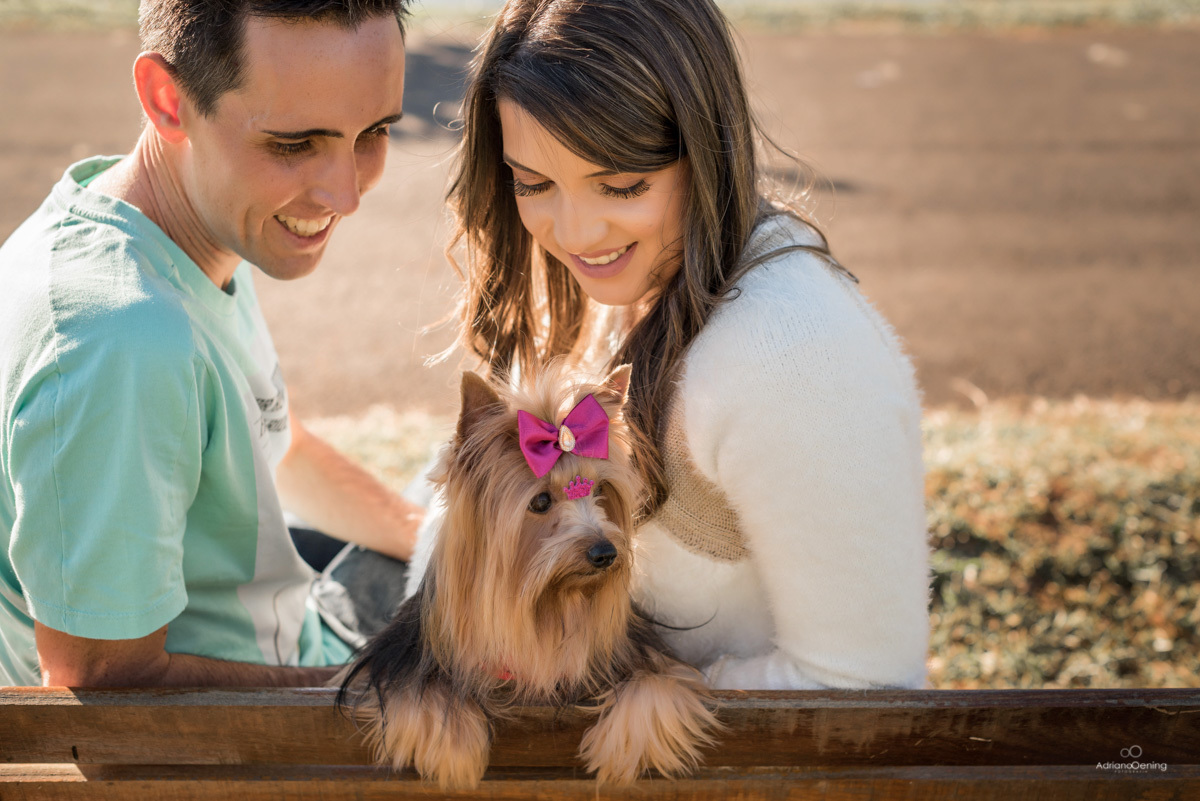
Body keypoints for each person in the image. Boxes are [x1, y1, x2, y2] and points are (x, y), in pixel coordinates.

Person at [444, 0, 930, 689]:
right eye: (534, 184)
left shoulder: (795, 356)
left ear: (704, 148)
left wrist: (647, 693)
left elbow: (867, 682)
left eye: (621, 184)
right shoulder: (638, 284)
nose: (576, 232)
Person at [0, 0, 421, 687]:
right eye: (292, 144)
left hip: (308, 632)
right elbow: (104, 689)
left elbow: (272, 442)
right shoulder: (120, 341)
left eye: (373, 131)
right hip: (280, 734)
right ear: (167, 99)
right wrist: (374, 689)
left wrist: (433, 536)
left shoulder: (190, 223)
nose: (345, 193)